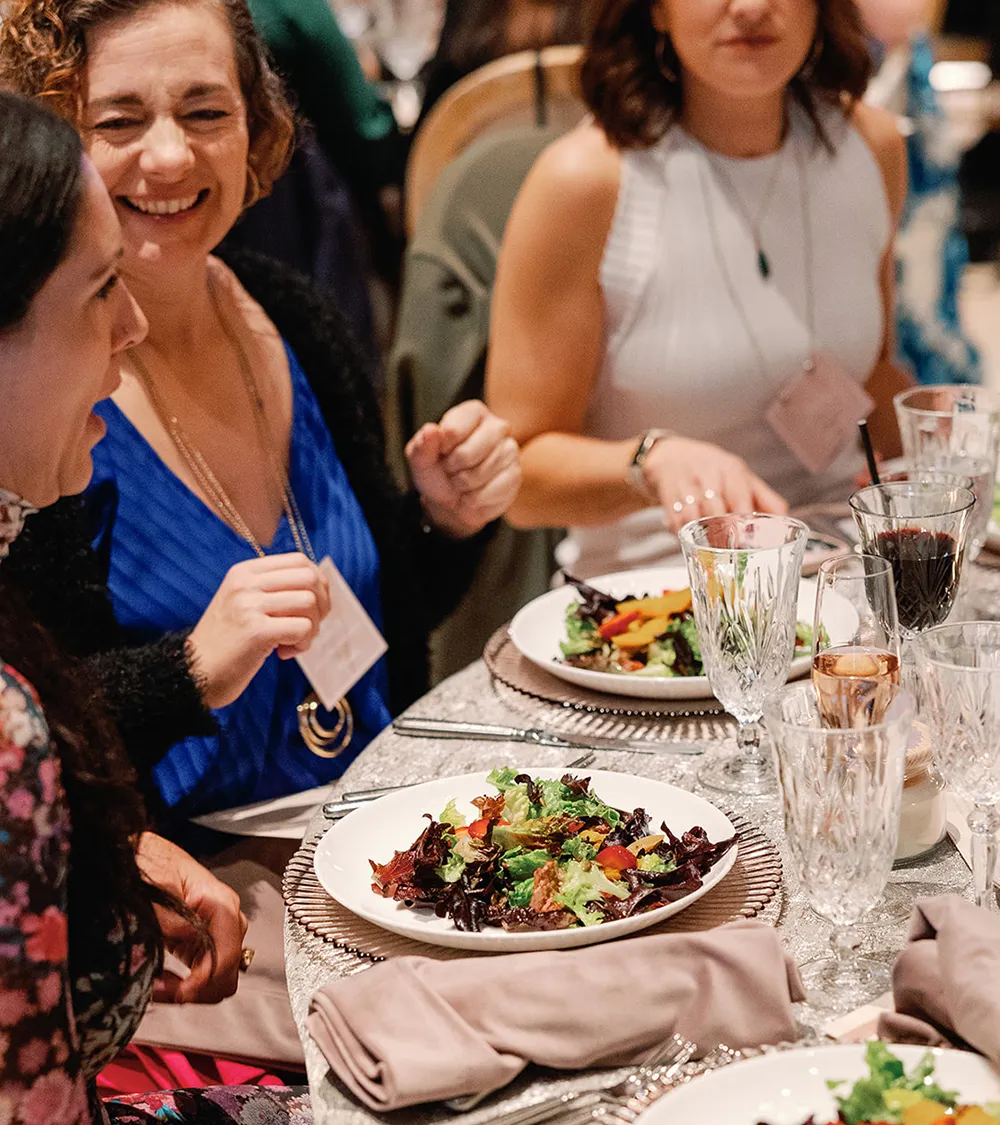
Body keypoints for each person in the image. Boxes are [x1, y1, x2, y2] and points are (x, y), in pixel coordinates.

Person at [0, 0, 520, 1069]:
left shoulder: (292, 315)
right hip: (205, 929)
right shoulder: (39, 407)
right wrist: (188, 669)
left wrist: (441, 521)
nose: (169, 156)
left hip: (385, 857)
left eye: (206, 112)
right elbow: (31, 752)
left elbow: (376, 620)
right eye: (118, 121)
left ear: (259, 128)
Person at [0, 89, 290, 1125]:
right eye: (98, 290)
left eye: (207, 108)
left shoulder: (279, 314)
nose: (132, 325)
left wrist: (102, 841)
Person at [486, 0, 911, 579]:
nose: (752, 8)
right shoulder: (587, 182)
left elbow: (874, 374)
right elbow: (518, 477)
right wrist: (649, 462)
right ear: (656, 10)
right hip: (655, 592)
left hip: (846, 577)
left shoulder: (872, 147)